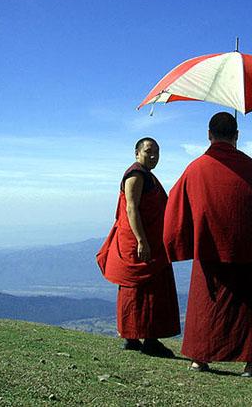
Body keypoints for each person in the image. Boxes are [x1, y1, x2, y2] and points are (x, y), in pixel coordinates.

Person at [164, 112, 252, 376]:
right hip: (247, 250)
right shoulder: (250, 166)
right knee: (250, 307)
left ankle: (199, 360)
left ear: (209, 134)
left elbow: (176, 202)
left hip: (208, 249)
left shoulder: (196, 167)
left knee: (206, 304)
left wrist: (185, 239)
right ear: (237, 136)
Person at [97, 137, 180, 357]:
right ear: (137, 153)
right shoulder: (135, 175)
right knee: (137, 289)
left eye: (157, 152)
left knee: (150, 290)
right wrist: (142, 240)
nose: (153, 156)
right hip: (139, 241)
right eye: (148, 151)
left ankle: (141, 338)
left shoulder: (147, 175)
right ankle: (139, 338)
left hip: (150, 239)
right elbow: (131, 209)